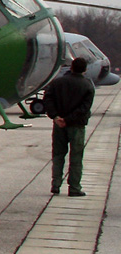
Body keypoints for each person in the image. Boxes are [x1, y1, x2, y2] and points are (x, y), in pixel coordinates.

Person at [43, 56, 95, 196]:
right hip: (76, 125)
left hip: (59, 124)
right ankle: (74, 187)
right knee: (76, 157)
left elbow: (47, 99)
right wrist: (69, 119)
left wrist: (56, 117)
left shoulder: (57, 83)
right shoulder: (88, 85)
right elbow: (84, 108)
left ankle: (55, 183)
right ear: (85, 69)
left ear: (71, 67)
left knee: (58, 155)